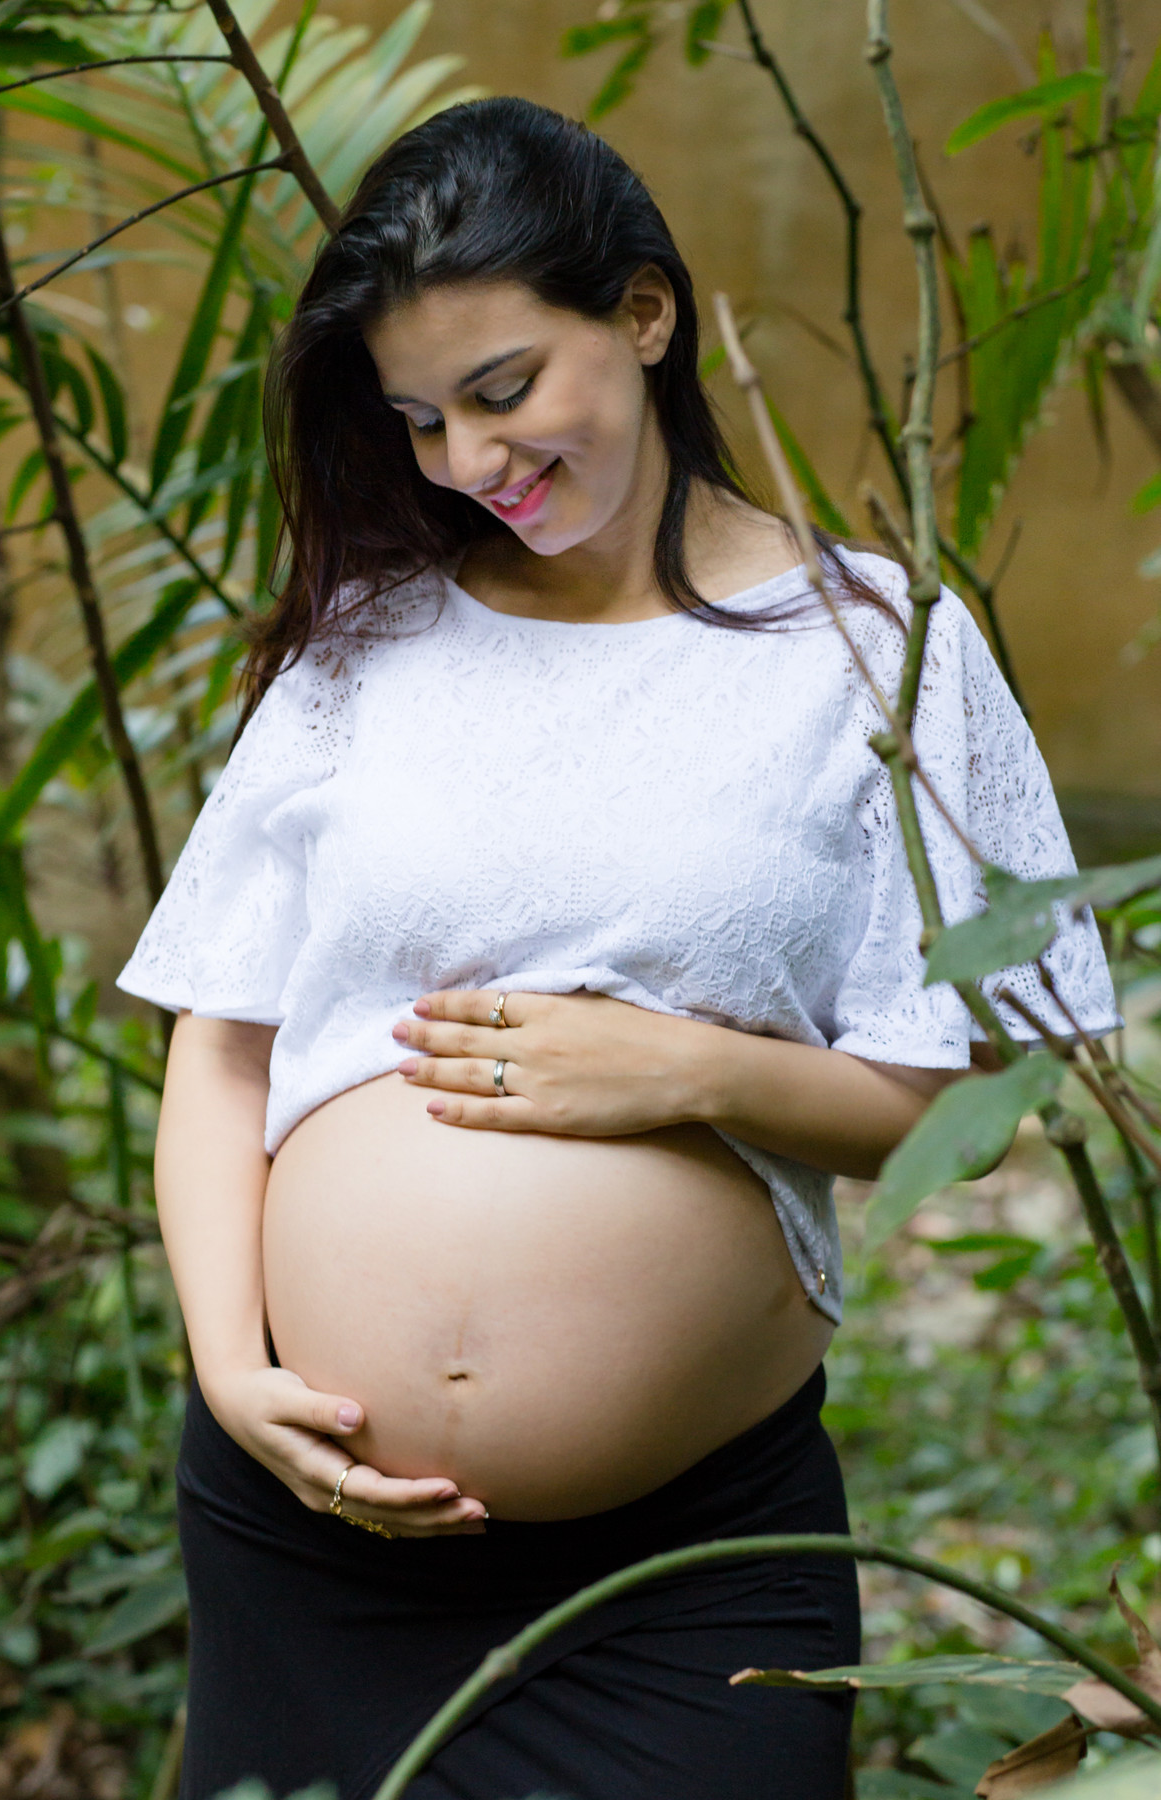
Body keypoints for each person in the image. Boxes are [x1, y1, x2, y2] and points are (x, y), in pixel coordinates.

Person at [116, 96, 1118, 1800]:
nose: (466, 464)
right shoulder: (364, 650)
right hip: (307, 1533)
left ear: (645, 316)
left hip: (682, 1575)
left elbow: (981, 1098)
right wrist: (232, 1364)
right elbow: (222, 1050)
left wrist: (686, 1071)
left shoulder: (885, 655)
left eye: (505, 392)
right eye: (422, 420)